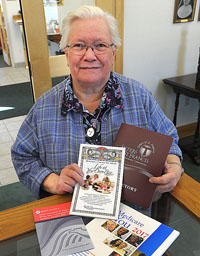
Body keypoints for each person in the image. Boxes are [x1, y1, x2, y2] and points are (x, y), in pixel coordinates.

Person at [11, 6, 183, 204]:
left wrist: (174, 167)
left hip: (131, 215)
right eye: (78, 46)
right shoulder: (43, 108)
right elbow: (22, 157)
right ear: (66, 54)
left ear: (114, 52)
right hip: (68, 217)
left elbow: (169, 140)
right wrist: (54, 182)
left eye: (100, 45)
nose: (90, 56)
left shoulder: (139, 96)